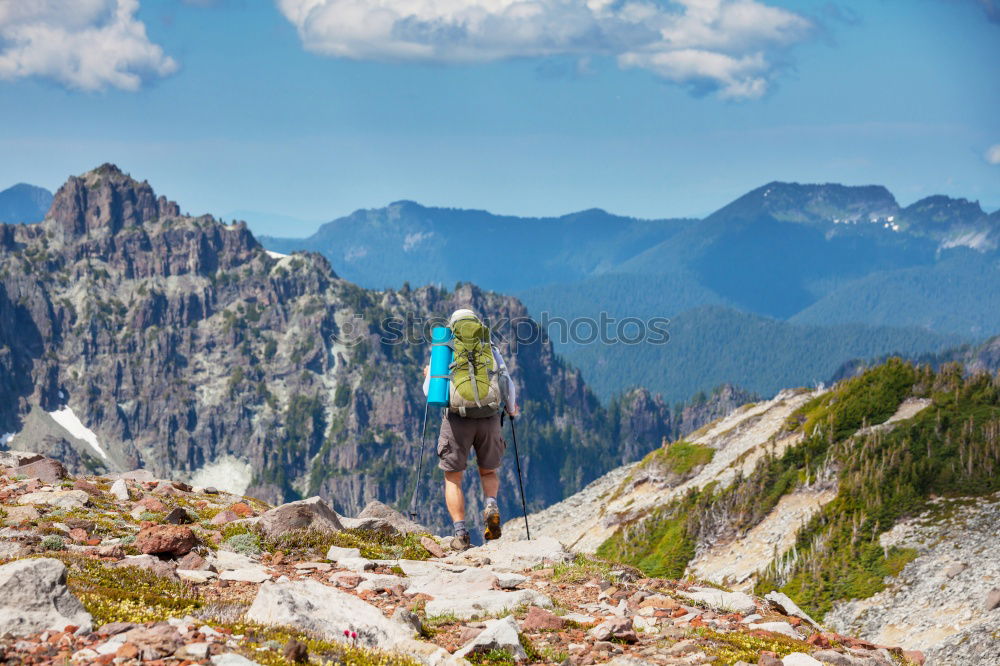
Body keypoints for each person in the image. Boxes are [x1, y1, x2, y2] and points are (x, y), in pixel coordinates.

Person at [422, 308, 519, 550]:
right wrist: (511, 409)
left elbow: (429, 392)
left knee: (453, 478)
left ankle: (461, 534)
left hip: (457, 421)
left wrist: (428, 375)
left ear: (452, 327)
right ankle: (491, 504)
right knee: (487, 472)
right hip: (489, 418)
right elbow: (506, 381)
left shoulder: (444, 350)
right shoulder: (490, 348)